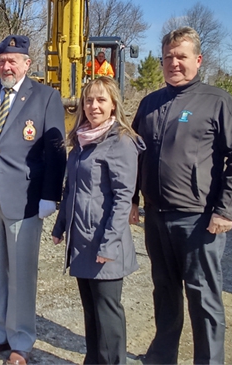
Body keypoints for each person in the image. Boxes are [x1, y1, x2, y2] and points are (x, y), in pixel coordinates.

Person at [130, 27, 232, 364]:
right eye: (168, 56)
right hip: (156, 218)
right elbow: (134, 154)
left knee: (203, 298)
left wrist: (225, 210)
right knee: (164, 292)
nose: (174, 63)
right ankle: (161, 356)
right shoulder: (150, 103)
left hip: (199, 219)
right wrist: (133, 201)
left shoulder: (217, 101)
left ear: (197, 60)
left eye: (181, 56)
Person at [0, 35, 66, 365]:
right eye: (2, 61)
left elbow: (56, 150)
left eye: (13, 61)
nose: (6, 66)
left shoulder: (45, 96)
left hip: (25, 197)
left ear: (27, 63)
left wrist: (51, 195)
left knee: (22, 272)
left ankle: (21, 338)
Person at [52, 77, 144, 364]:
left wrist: (109, 244)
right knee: (91, 311)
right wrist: (59, 225)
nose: (94, 106)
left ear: (114, 104)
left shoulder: (121, 142)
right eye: (89, 100)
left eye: (101, 100)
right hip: (81, 240)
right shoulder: (81, 139)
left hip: (104, 243)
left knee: (107, 313)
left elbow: (122, 199)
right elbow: (71, 189)